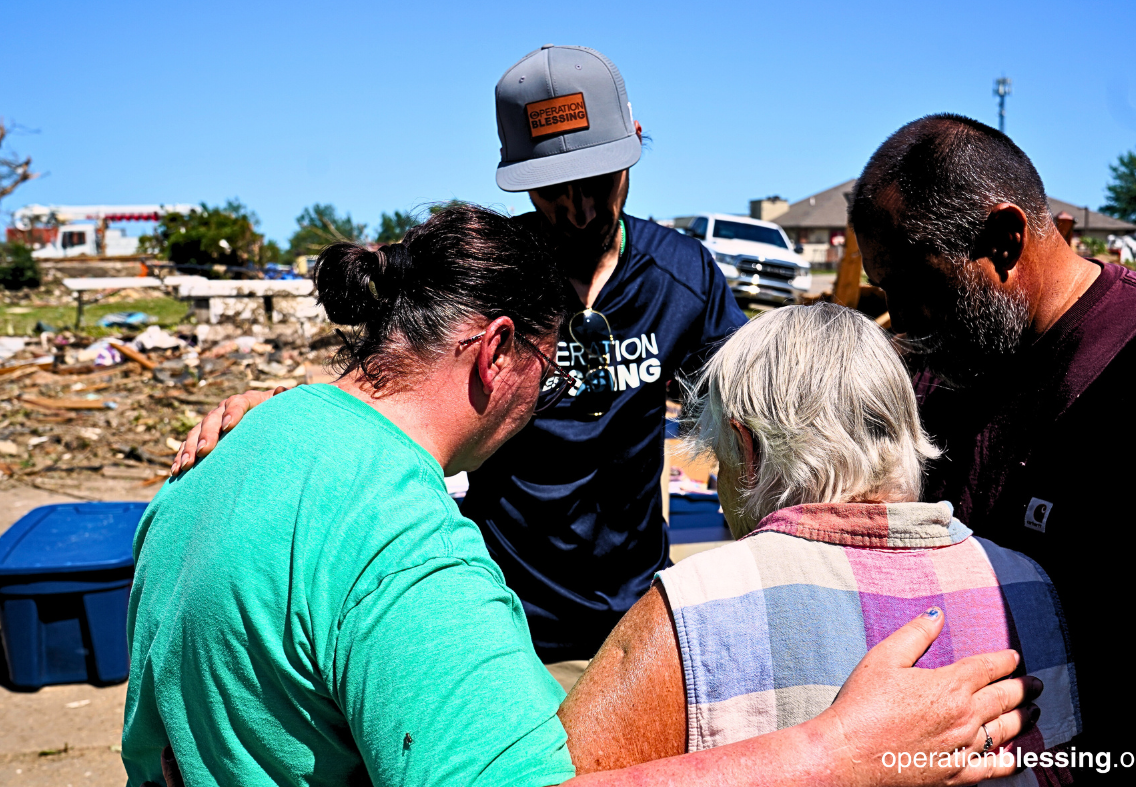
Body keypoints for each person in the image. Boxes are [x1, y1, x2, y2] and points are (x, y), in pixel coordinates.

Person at [128, 205, 1041, 787]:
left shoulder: (225, 457)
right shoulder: (412, 556)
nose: (558, 390)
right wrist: (830, 753)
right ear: (495, 354)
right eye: (550, 360)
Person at [173, 44, 749, 672]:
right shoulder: (488, 273)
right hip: (510, 622)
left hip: (640, 621)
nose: (580, 210)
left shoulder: (683, 274)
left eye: (599, 182)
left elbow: (754, 405)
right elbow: (384, 390)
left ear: (634, 142)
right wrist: (281, 411)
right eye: (554, 190)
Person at [556, 304, 1078, 787]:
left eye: (720, 457)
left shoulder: (696, 605)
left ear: (747, 448)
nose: (719, 486)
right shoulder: (1029, 585)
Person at [847, 113, 1136, 787]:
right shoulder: (937, 373)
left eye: (917, 287)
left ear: (1005, 240)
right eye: (886, 294)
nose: (902, 320)